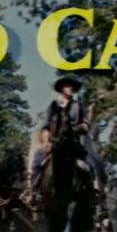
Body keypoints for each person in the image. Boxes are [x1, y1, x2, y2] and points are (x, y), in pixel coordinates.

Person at [22, 76, 106, 205]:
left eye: (72, 86)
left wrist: (79, 128)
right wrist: (47, 141)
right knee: (38, 160)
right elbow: (45, 126)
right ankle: (33, 191)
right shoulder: (53, 106)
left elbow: (86, 124)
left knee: (90, 164)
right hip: (55, 143)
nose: (70, 88)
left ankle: (94, 191)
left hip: (73, 144)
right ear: (62, 88)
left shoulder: (78, 106)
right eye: (67, 85)